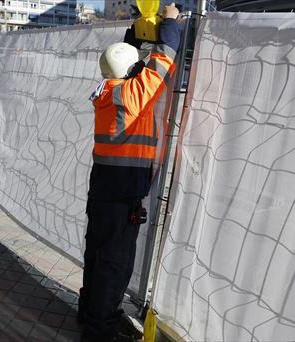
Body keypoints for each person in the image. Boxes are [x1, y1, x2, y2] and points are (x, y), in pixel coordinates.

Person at [78, 3, 181, 342]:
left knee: (96, 253)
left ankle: (90, 313)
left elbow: (127, 58)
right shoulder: (134, 94)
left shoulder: (108, 90)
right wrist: (170, 21)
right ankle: (100, 330)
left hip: (103, 188)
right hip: (123, 193)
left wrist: (137, 31)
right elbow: (163, 59)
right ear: (131, 72)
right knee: (115, 264)